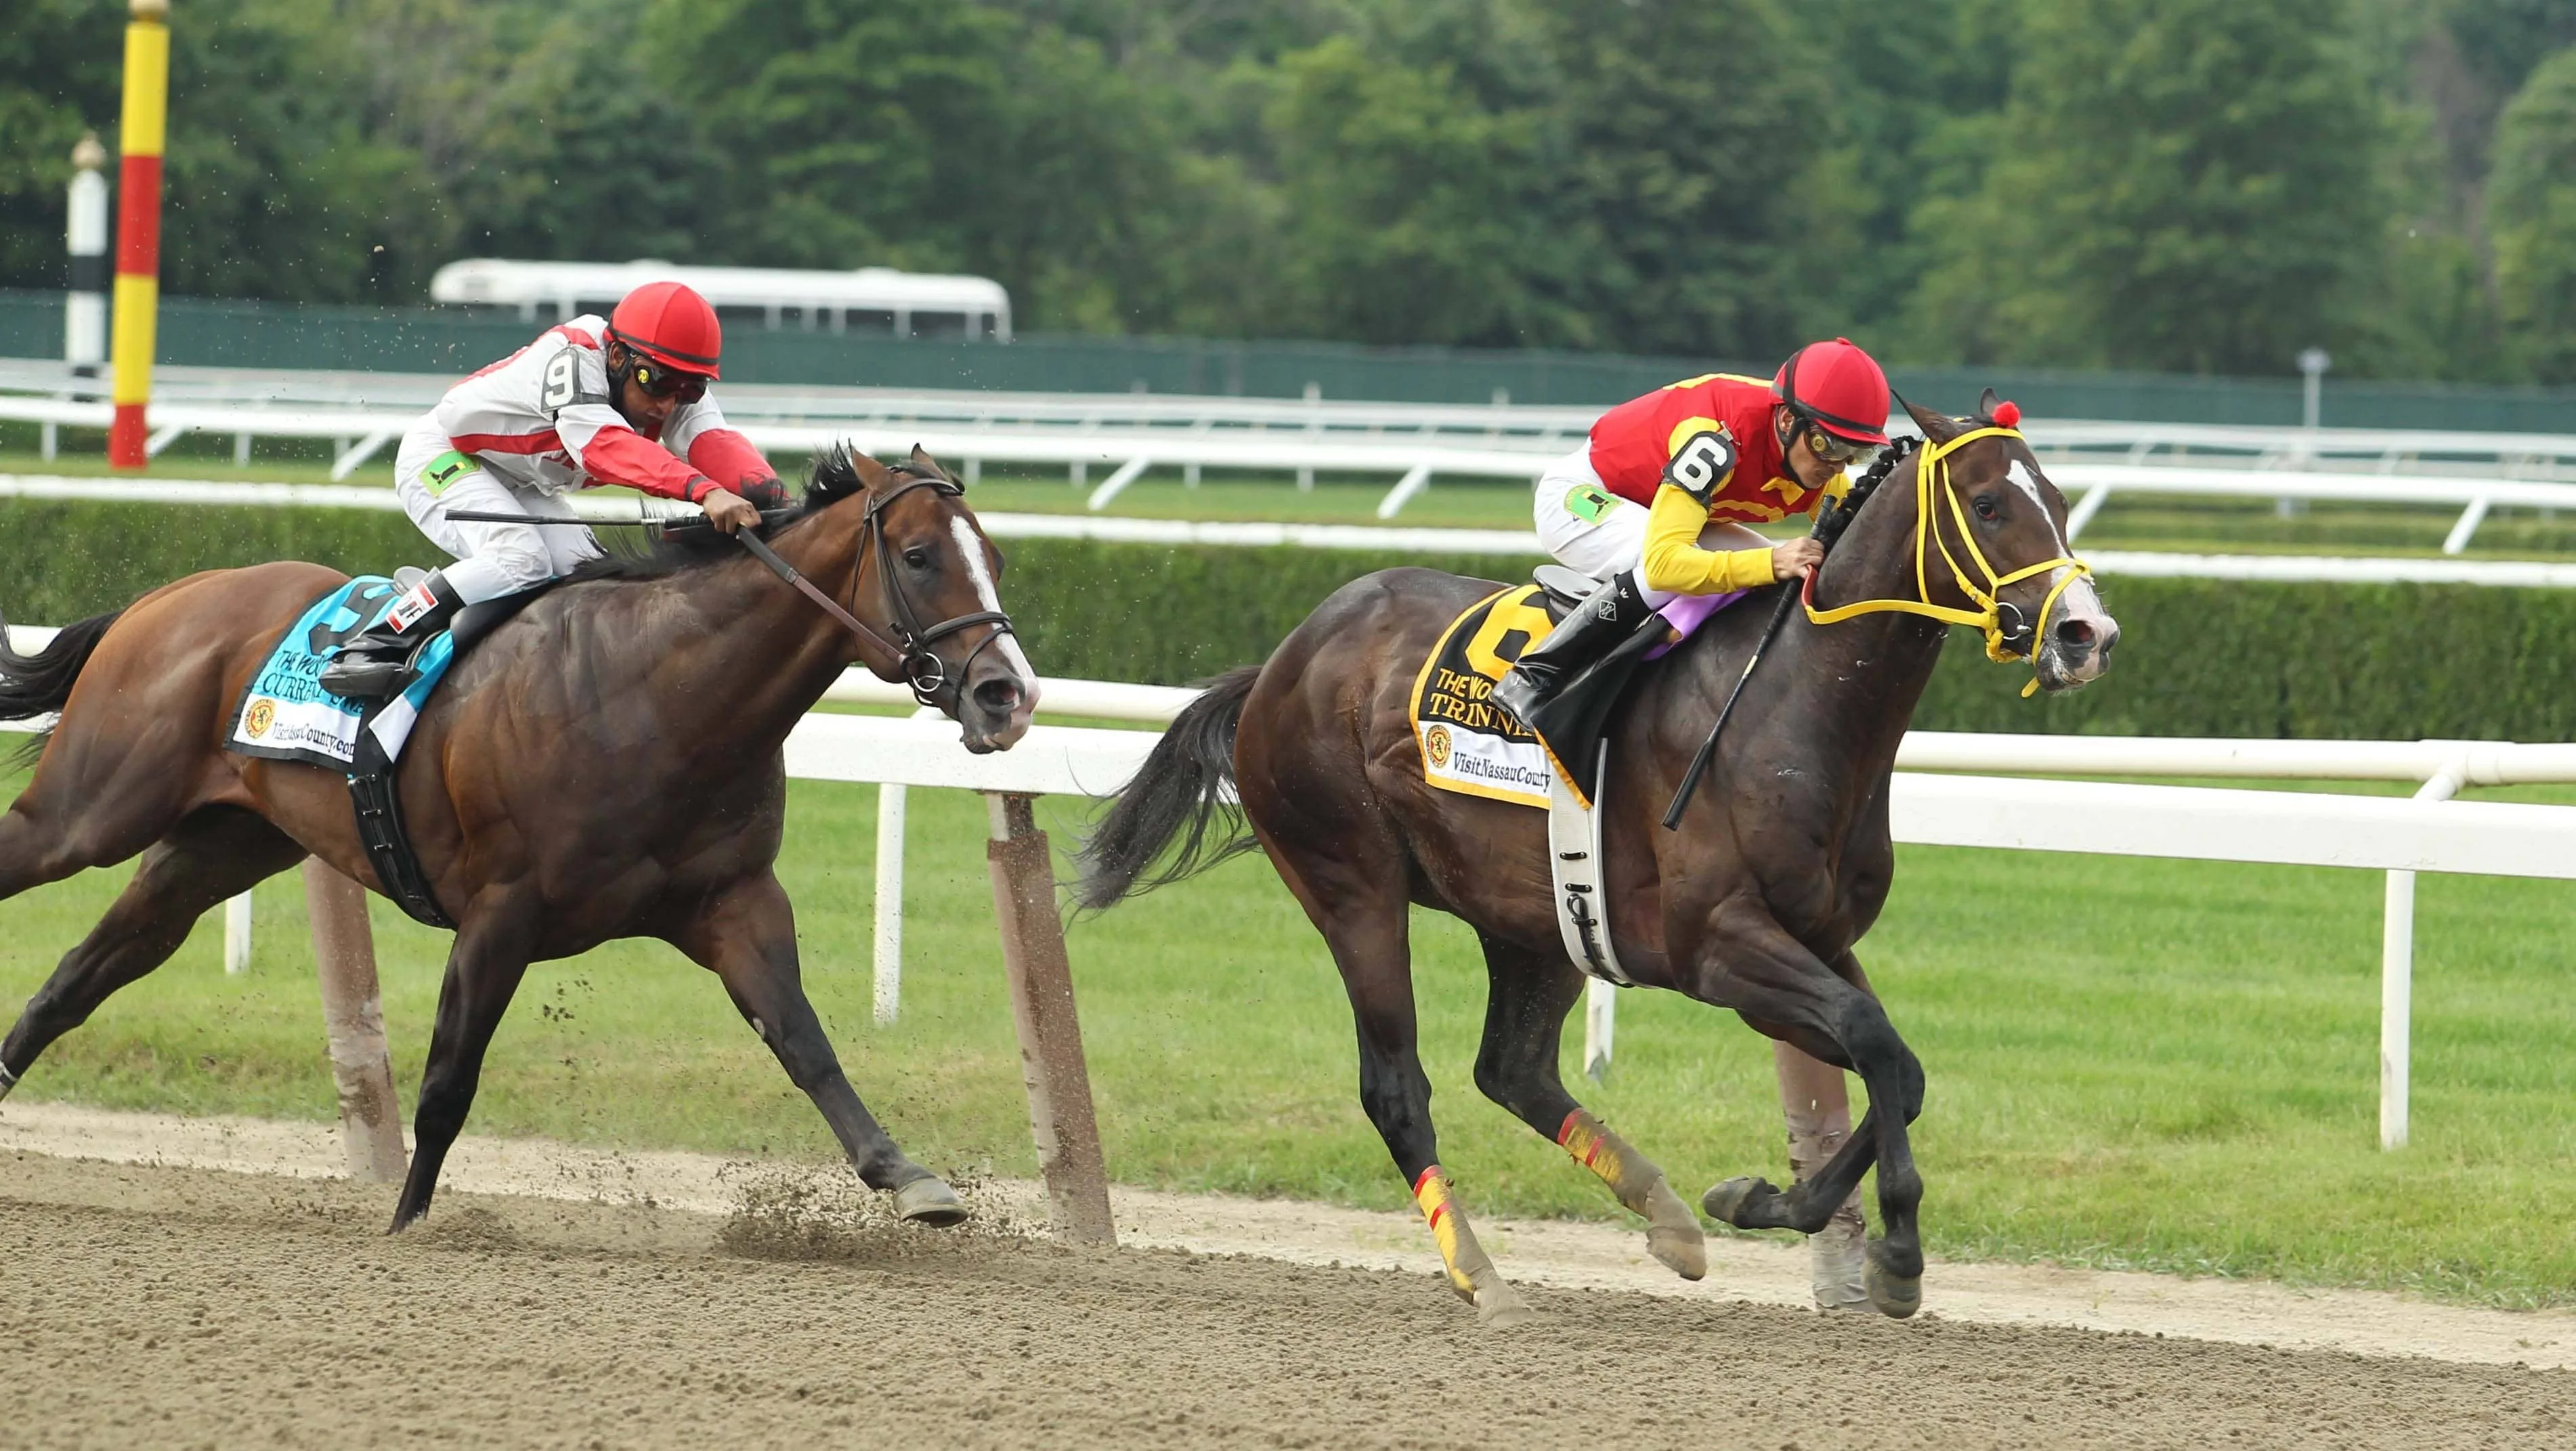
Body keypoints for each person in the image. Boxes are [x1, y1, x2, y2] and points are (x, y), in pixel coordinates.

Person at [319, 281, 786, 699]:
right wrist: (703, 491)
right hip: (445, 457)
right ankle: (381, 638)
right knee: (521, 559)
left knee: (592, 576)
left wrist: (785, 508)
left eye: (691, 389)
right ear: (618, 358)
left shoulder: (666, 380)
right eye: (655, 381)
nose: (668, 402)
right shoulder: (573, 358)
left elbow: (717, 446)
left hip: (516, 478)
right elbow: (604, 446)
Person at [1487, 337, 1891, 724]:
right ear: (1788, 420)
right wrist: (1773, 559)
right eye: (1830, 446)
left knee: (1773, 579)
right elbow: (1665, 564)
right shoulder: (1715, 439)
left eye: (1856, 452)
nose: (1838, 466)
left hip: (1667, 512)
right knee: (1709, 568)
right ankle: (1535, 677)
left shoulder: (1813, 453)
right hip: (1582, 498)